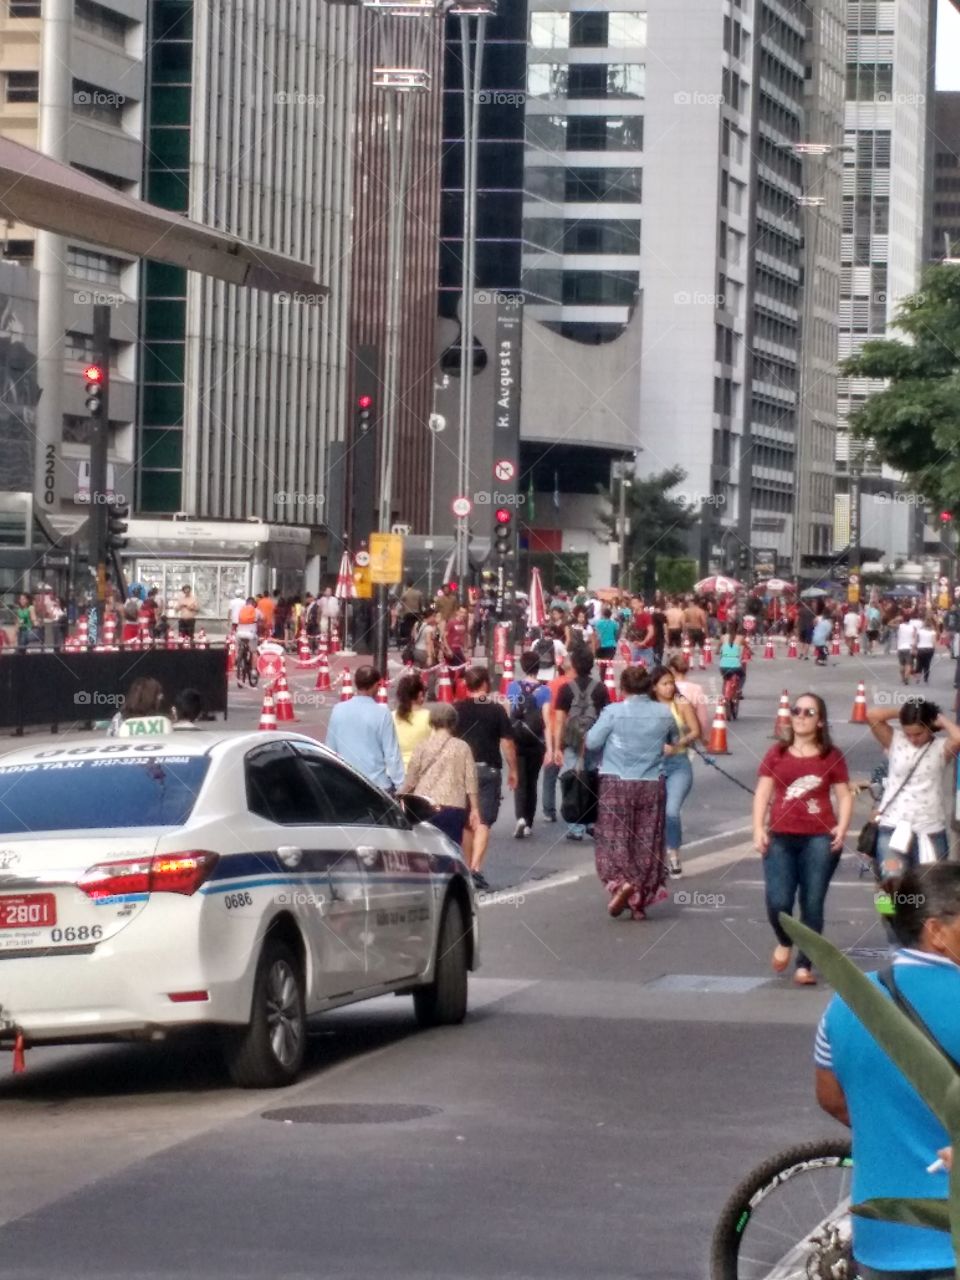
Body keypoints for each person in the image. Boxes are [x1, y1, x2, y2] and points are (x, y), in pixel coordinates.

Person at [814, 864, 960, 1280]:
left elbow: (830, 1098)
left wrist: (893, 1130)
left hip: (880, 1237)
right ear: (937, 931)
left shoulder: (845, 1003)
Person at [753, 693, 853, 985]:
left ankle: (804, 964)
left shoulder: (830, 755)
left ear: (820, 720)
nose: (801, 716)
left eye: (809, 712)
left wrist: (843, 827)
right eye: (797, 710)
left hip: (820, 838)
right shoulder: (777, 753)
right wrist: (758, 827)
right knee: (778, 900)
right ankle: (785, 940)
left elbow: (844, 796)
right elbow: (763, 793)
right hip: (781, 837)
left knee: (812, 902)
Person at [586, 666, 677, 919]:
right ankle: (640, 901)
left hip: (617, 782)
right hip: (651, 782)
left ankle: (622, 882)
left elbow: (592, 741)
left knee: (614, 838)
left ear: (623, 688)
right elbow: (673, 739)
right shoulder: (664, 713)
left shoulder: (613, 712)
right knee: (647, 841)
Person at [866, 699, 960, 878]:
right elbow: (873, 715)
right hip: (893, 825)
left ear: (929, 727)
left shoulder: (940, 747)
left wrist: (939, 718)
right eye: (908, 733)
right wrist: (905, 711)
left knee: (931, 890)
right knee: (893, 885)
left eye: (918, 733)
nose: (913, 739)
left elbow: (958, 738)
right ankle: (898, 906)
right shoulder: (895, 740)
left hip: (930, 829)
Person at [453, 666, 518, 890]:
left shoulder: (457, 709)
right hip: (488, 769)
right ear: (484, 684)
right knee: (482, 821)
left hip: (462, 770)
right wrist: (513, 770)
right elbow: (507, 742)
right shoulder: (496, 710)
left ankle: (467, 867)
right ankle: (476, 868)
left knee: (466, 822)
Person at [648, 664, 702, 879]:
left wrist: (679, 743)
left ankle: (674, 854)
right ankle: (657, 856)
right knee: (655, 813)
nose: (670, 687)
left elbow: (696, 730)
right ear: (653, 687)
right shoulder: (648, 706)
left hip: (679, 763)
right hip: (654, 766)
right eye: (664, 684)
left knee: (671, 810)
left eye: (671, 683)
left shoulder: (680, 703)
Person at [400, 704, 479, 848]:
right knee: (450, 848)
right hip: (453, 805)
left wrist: (399, 795)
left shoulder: (422, 746)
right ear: (453, 722)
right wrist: (474, 809)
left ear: (432, 722)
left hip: (423, 805)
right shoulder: (462, 747)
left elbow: (411, 779)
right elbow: (471, 780)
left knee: (425, 848)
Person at [553, 647, 609, 842]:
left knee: (572, 778)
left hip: (572, 740)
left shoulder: (565, 689)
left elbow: (560, 721)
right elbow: (606, 717)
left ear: (574, 666)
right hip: (595, 738)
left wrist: (556, 747)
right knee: (593, 778)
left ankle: (575, 826)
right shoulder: (600, 688)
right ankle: (592, 822)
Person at [325, 664, 404, 793]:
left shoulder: (338, 709)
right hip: (376, 784)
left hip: (345, 781)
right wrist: (401, 785)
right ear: (374, 685)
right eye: (378, 685)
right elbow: (391, 754)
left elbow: (330, 749)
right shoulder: (382, 713)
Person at [506, 651, 551, 838]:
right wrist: (549, 747)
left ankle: (520, 818)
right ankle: (529, 822)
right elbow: (547, 722)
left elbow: (509, 715)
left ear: (522, 667)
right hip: (536, 741)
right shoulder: (545, 691)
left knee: (519, 781)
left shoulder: (513, 687)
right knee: (532, 782)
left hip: (517, 740)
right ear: (539, 668)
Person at [540, 654, 573, 823]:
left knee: (550, 773)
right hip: (571, 733)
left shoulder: (551, 685)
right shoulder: (575, 686)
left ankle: (548, 810)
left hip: (552, 731)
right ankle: (571, 808)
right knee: (573, 772)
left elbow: (545, 710)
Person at [107, 676, 172, 737]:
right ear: (148, 697)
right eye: (158, 693)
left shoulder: (118, 718)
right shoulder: (162, 720)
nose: (161, 696)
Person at [392, 672, 432, 769]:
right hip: (422, 770)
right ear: (420, 695)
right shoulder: (430, 717)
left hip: (395, 770)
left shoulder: (390, 717)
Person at [718, 626, 747, 696]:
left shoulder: (723, 637)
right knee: (743, 676)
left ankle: (723, 695)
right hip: (736, 666)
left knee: (725, 679)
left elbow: (718, 649)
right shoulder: (740, 638)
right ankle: (738, 690)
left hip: (722, 666)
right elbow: (746, 646)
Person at [894, 611, 920, 685]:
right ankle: (906, 677)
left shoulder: (900, 626)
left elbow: (889, 624)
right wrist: (914, 647)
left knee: (902, 665)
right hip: (909, 647)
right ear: (910, 620)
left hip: (900, 648)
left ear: (903, 619)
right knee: (908, 664)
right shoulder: (913, 627)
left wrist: (896, 619)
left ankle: (903, 678)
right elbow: (915, 638)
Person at [915, 612, 939, 684]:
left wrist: (916, 647)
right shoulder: (933, 632)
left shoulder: (920, 631)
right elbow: (933, 641)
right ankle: (926, 678)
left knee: (919, 664)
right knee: (927, 664)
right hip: (929, 649)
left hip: (920, 648)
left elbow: (917, 640)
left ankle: (918, 678)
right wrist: (935, 649)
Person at [399, 580, 426, 646]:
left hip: (407, 614)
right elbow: (421, 604)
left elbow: (401, 604)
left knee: (408, 627)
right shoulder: (418, 593)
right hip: (416, 613)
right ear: (413, 584)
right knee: (416, 627)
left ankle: (409, 641)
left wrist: (402, 613)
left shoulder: (404, 594)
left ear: (406, 585)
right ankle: (416, 640)